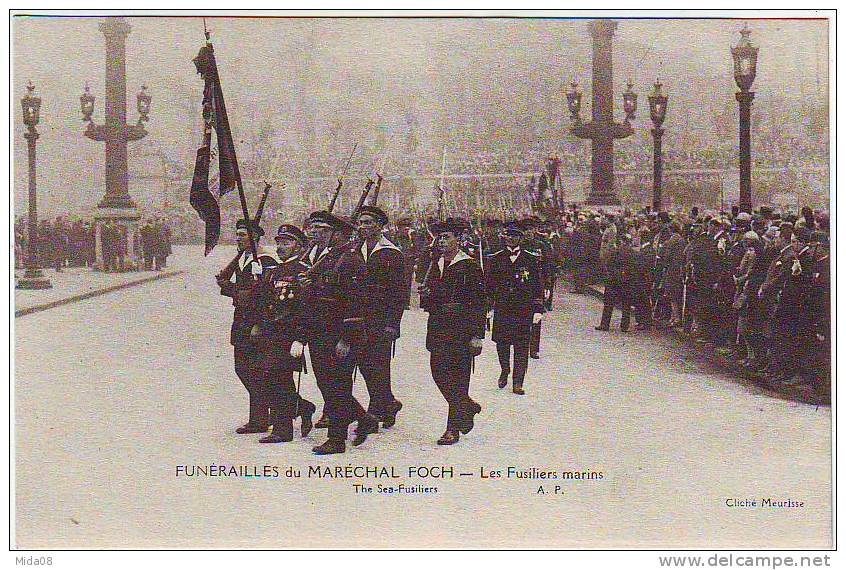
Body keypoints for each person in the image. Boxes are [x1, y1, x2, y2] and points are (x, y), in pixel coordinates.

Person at [298, 210, 377, 455]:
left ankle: (337, 439)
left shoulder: (351, 260)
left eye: (322, 230)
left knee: (337, 385)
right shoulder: (329, 257)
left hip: (338, 333)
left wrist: (346, 339)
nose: (315, 233)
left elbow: (356, 302)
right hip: (320, 331)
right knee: (328, 384)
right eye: (315, 228)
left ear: (338, 234)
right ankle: (364, 419)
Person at [419, 218, 485, 445]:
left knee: (458, 378)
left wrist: (477, 335)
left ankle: (452, 428)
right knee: (438, 372)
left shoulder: (470, 266)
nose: (441, 241)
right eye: (439, 237)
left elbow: (479, 302)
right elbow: (429, 301)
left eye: (447, 236)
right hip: (438, 327)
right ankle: (467, 406)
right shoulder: (434, 264)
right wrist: (427, 294)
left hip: (461, 329)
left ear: (459, 239)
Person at [252, 224, 316, 443]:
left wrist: (301, 338)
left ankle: (283, 429)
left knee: (278, 379)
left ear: (298, 246)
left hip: (288, 336)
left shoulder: (304, 270)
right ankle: (303, 407)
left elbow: (307, 307)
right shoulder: (273, 271)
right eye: (278, 242)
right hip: (270, 333)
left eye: (286, 243)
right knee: (271, 378)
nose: (280, 247)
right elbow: (264, 302)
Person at [216, 218, 277, 435]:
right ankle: (288, 407)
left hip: (257, 321)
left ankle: (260, 418)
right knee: (242, 369)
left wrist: (230, 289)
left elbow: (264, 295)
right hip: (242, 319)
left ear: (255, 238)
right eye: (238, 234)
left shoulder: (266, 260)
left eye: (242, 235)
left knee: (256, 370)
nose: (238, 238)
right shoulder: (243, 258)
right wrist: (228, 285)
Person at [349, 205, 406, 433]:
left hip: (381, 318)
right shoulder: (356, 250)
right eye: (361, 223)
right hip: (359, 316)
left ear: (380, 226)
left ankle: (375, 411)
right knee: (364, 363)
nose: (363, 227)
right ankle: (388, 402)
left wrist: (393, 324)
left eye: (368, 223)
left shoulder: (391, 253)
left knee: (378, 364)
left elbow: (399, 293)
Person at [485, 222, 544, 395]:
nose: (511, 238)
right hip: (503, 308)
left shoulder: (530, 259)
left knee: (521, 345)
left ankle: (518, 382)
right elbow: (489, 285)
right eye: (508, 235)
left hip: (522, 309)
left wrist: (538, 308)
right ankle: (505, 369)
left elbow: (537, 286)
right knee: (502, 344)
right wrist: (488, 306)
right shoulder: (495, 258)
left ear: (520, 238)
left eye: (515, 236)